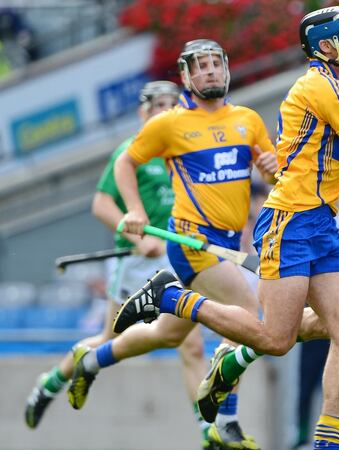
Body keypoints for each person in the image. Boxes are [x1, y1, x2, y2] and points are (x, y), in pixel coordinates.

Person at [112, 7, 339, 450]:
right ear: (326, 46)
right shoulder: (317, 85)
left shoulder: (336, 86)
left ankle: (328, 444)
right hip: (289, 221)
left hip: (323, 225)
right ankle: (169, 296)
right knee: (276, 338)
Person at [68, 40, 278, 450]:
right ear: (185, 76)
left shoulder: (248, 120)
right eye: (199, 67)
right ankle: (225, 422)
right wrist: (134, 210)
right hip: (193, 243)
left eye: (216, 63)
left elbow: (274, 178)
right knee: (247, 313)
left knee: (165, 336)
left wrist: (271, 170)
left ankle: (90, 359)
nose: (210, 72)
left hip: (228, 243)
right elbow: (126, 162)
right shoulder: (170, 124)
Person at [23, 81, 208, 445]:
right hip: (136, 263)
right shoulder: (132, 151)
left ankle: (208, 432)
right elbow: (102, 205)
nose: (166, 111)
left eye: (173, 104)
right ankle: (52, 381)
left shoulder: (186, 152)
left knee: (192, 346)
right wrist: (142, 239)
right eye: (158, 105)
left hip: (177, 259)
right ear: (143, 112)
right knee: (111, 339)